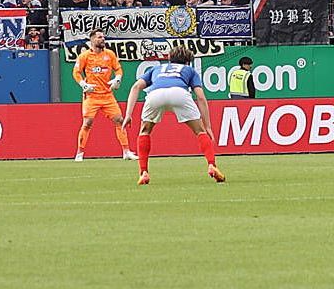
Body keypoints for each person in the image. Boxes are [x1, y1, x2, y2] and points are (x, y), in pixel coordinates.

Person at [124, 42, 224, 186]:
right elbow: (200, 97)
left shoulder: (156, 68)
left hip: (155, 94)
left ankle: (143, 172)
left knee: (145, 131)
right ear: (187, 61)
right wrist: (207, 126)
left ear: (170, 58)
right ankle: (212, 165)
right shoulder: (189, 70)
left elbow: (135, 87)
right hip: (179, 93)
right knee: (199, 131)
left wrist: (128, 114)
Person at [72, 32, 133, 161]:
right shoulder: (85, 56)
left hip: (107, 95)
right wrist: (83, 84)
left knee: (120, 121)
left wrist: (117, 79)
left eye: (103, 37)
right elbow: (76, 72)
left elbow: (118, 69)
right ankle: (79, 153)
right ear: (92, 39)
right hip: (92, 96)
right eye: (100, 37)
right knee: (87, 123)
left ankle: (126, 151)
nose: (103, 39)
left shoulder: (109, 54)